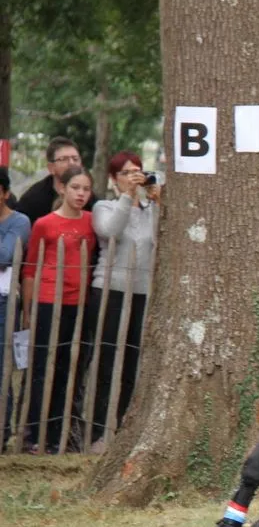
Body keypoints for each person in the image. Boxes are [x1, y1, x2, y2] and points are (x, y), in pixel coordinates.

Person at [80, 151, 159, 453]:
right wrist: (127, 197)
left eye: (137, 172)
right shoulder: (104, 206)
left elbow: (158, 238)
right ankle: (98, 430)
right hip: (110, 291)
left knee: (131, 365)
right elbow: (109, 231)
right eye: (126, 173)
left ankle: (124, 427)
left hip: (141, 293)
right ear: (114, 178)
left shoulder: (149, 210)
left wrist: (156, 200)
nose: (133, 177)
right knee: (105, 361)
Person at [21, 165, 97, 452]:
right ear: (62, 188)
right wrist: (28, 310)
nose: (80, 194)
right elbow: (29, 271)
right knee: (42, 367)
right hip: (48, 300)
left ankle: (59, 434)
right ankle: (33, 433)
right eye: (75, 187)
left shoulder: (91, 221)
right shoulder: (44, 224)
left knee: (69, 366)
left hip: (78, 304)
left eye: (86, 189)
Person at [0, 178, 32, 400]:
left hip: (3, 299)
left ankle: (2, 427)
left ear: (6, 193)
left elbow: (4, 255)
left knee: (1, 365)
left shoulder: (19, 221)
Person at [16, 138, 98, 224]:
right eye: (64, 159)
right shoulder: (33, 199)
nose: (71, 163)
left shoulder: (89, 198)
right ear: (51, 168)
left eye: (75, 159)